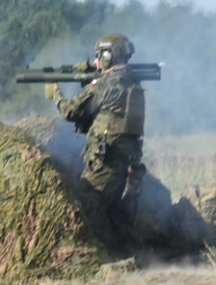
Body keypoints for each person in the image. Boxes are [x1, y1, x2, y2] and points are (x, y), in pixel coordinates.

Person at [48, 33, 147, 256]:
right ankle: (126, 251)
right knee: (113, 211)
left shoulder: (106, 84)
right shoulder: (131, 81)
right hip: (126, 161)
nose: (95, 62)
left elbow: (71, 111)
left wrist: (55, 94)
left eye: (98, 57)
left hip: (105, 163)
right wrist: (89, 80)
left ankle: (103, 255)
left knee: (84, 205)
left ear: (108, 56)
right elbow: (102, 110)